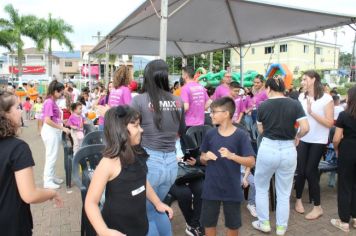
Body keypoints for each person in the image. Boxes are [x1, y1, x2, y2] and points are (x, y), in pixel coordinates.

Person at [85, 106, 173, 236]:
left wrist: (157, 202)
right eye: (136, 126)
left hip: (140, 224)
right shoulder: (108, 163)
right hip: (117, 229)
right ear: (121, 130)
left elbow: (141, 181)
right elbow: (91, 202)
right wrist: (103, 230)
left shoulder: (137, 152)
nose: (141, 129)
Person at [131, 59, 185, 236]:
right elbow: (180, 132)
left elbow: (129, 131)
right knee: (158, 206)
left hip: (150, 163)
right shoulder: (178, 101)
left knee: (145, 213)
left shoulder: (139, 100)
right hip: (171, 163)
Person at [0, 90, 63, 235]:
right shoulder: (18, 149)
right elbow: (30, 194)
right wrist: (51, 193)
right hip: (12, 225)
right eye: (17, 108)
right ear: (5, 114)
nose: (21, 112)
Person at [252, 76, 309, 235]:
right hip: (288, 149)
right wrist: (296, 136)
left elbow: (261, 131)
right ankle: (281, 227)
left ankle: (264, 223)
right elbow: (305, 127)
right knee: (284, 192)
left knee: (262, 187)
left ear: (268, 89)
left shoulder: (262, 106)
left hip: (268, 147)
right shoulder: (295, 103)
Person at [200, 97, 256, 236]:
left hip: (231, 187)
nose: (210, 114)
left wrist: (232, 156)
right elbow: (202, 158)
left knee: (233, 225)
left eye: (214, 111)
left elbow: (251, 162)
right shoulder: (210, 133)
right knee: (208, 223)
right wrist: (205, 157)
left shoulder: (240, 135)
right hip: (211, 187)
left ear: (226, 113)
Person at [295, 70, 334, 220]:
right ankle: (298, 200)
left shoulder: (327, 99)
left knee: (311, 171)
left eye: (305, 79)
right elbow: (299, 120)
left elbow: (330, 123)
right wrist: (296, 135)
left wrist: (312, 113)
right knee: (301, 170)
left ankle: (318, 207)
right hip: (303, 138)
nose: (302, 82)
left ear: (313, 80)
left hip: (318, 141)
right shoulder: (301, 97)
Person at [330, 86, 356, 232]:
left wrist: (336, 148)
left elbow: (336, 138)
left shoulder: (344, 116)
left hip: (347, 151)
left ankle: (344, 221)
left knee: (345, 185)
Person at [41, 80, 70, 189]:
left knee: (52, 155)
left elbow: (54, 118)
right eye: (61, 93)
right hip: (50, 131)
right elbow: (47, 120)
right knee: (51, 156)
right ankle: (47, 180)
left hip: (52, 130)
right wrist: (62, 127)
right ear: (54, 91)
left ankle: (51, 177)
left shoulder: (52, 101)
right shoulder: (49, 102)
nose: (62, 95)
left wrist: (63, 121)